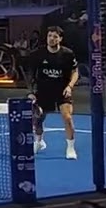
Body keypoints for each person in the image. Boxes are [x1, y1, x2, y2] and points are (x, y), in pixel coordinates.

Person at [28, 26, 79, 160]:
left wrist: (70, 86)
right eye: (50, 36)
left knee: (67, 118)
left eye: (55, 36)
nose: (52, 38)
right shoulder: (38, 54)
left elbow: (75, 72)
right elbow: (31, 75)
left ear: (60, 39)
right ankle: (39, 141)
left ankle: (70, 148)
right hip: (44, 91)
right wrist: (31, 92)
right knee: (38, 119)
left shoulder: (68, 54)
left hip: (62, 90)